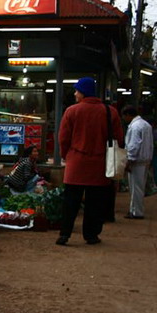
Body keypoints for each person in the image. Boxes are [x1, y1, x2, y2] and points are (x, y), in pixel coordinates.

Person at [56, 77, 124, 245]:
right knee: (95, 203)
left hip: (76, 164)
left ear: (83, 92)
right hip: (100, 165)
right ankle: (91, 235)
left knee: (71, 201)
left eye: (77, 90)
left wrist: (66, 156)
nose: (75, 93)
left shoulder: (72, 111)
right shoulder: (110, 112)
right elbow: (119, 139)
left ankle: (64, 234)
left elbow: (63, 139)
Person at [121, 106, 154, 219]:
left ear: (128, 115)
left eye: (124, 116)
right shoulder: (146, 125)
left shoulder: (135, 127)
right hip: (145, 160)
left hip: (137, 161)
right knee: (139, 187)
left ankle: (137, 212)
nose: (124, 119)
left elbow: (133, 146)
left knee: (135, 188)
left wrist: (128, 160)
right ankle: (134, 209)